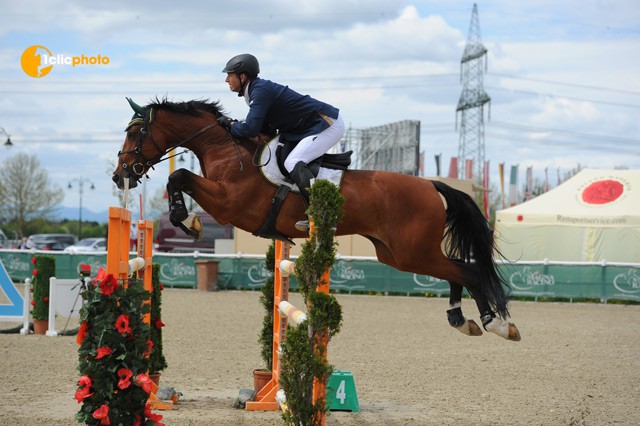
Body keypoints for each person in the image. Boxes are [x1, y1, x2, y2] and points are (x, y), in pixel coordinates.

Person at [219, 53, 345, 230]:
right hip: (304, 128)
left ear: (243, 76)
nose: (226, 79)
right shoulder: (254, 90)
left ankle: (323, 215)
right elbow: (264, 128)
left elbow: (250, 129)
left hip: (327, 124)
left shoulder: (259, 91)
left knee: (293, 161)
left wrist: (231, 125)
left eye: (229, 74)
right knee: (283, 159)